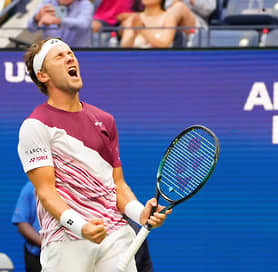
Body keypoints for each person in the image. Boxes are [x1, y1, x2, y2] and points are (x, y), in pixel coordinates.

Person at [18, 38, 171, 271]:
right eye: (59, 56)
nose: (70, 57)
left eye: (70, 53)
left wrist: (140, 212)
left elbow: (117, 185)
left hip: (116, 235)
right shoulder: (35, 126)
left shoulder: (106, 120)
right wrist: (81, 226)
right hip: (67, 239)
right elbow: (46, 191)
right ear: (43, 75)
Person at [120, 0, 214, 48]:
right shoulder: (134, 19)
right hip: (138, 64)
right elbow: (165, 6)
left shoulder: (169, 17)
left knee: (179, 7)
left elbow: (208, 9)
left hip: (196, 22)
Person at [27, 0, 94, 47]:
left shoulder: (85, 4)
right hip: (52, 53)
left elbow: (84, 24)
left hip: (80, 54)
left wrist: (58, 21)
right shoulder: (48, 2)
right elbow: (30, 28)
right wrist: (36, 18)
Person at [11, 182, 42, 272]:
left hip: (66, 254)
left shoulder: (71, 185)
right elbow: (22, 224)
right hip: (37, 256)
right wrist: (45, 244)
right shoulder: (31, 188)